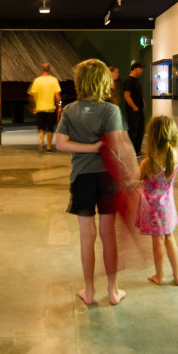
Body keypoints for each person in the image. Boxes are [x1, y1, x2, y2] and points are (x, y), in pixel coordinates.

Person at [55, 59, 130, 306]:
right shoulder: (111, 111)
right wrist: (130, 173)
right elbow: (119, 146)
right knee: (108, 235)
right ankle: (113, 290)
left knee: (86, 236)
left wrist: (87, 147)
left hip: (82, 178)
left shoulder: (69, 110)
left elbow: (61, 144)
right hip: (107, 178)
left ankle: (89, 291)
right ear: (103, 82)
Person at [138, 116, 178, 286]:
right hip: (168, 205)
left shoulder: (149, 162)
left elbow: (137, 177)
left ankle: (159, 276)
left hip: (152, 207)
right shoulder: (174, 156)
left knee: (157, 241)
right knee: (170, 238)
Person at [28, 62, 62, 153]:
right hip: (50, 108)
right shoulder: (54, 80)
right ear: (50, 70)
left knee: (41, 127)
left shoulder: (37, 80)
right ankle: (49, 147)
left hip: (40, 108)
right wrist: (59, 106)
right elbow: (57, 96)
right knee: (50, 128)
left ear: (41, 70)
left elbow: (34, 95)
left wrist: (33, 106)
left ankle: (41, 142)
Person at [123, 61, 146, 156]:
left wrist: (143, 102)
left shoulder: (137, 80)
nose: (142, 70)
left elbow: (139, 94)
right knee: (133, 131)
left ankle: (137, 150)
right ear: (134, 69)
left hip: (140, 110)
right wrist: (134, 107)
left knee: (141, 130)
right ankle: (131, 152)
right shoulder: (128, 80)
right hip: (133, 111)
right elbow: (127, 96)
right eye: (140, 68)